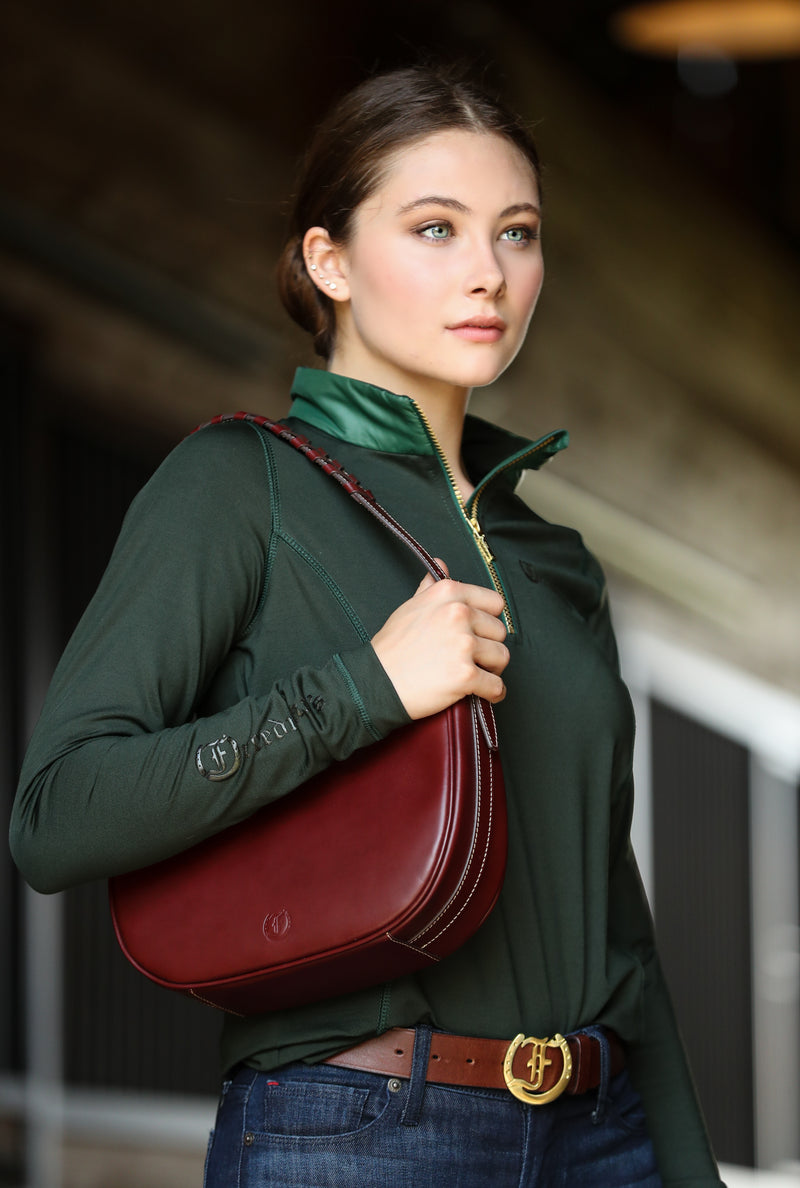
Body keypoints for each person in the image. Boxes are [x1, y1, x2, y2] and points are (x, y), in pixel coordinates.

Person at [11, 64, 724, 1187]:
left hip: (602, 1130)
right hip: (359, 1130)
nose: (487, 272)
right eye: (434, 228)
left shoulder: (554, 557)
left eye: (516, 232)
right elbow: (55, 818)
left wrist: (679, 1165)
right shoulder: (238, 484)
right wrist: (366, 688)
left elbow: (615, 925)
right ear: (327, 260)